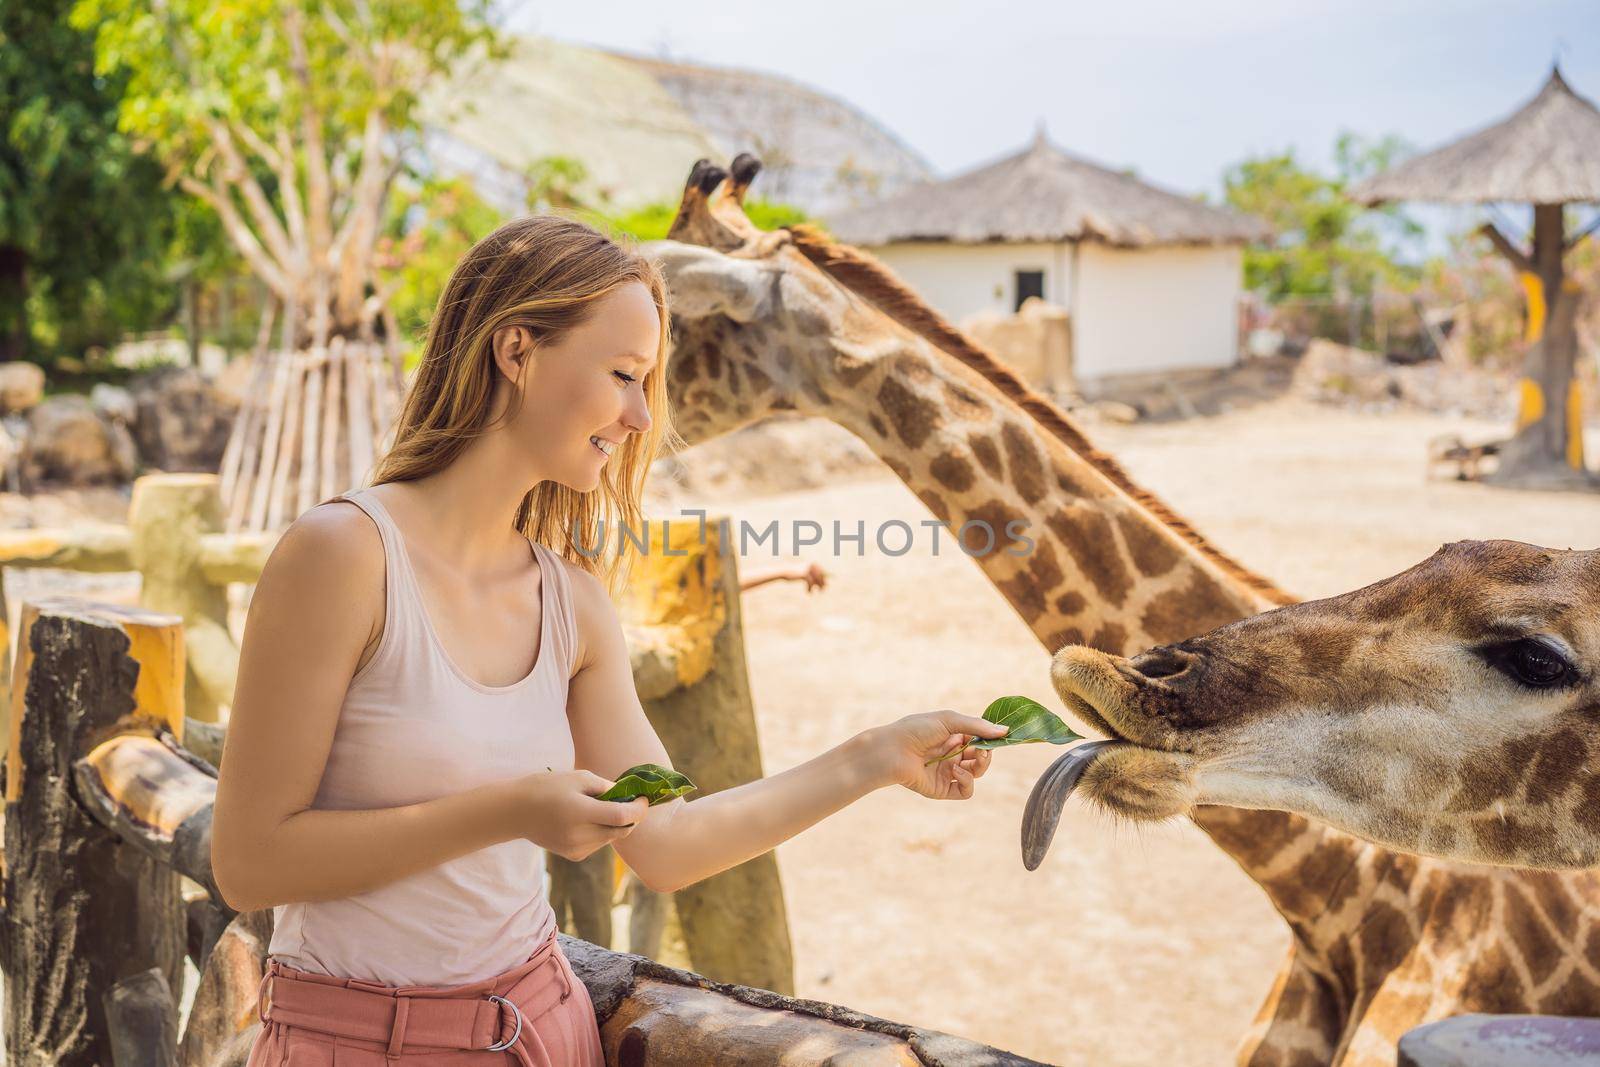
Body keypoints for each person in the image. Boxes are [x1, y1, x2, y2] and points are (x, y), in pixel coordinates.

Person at [211, 214, 1008, 1066]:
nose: (638, 415)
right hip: (354, 1044)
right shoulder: (341, 557)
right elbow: (252, 862)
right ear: (515, 352)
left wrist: (876, 756)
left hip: (542, 1031)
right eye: (624, 374)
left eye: (647, 382)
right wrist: (512, 809)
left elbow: (665, 842)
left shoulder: (573, 602)